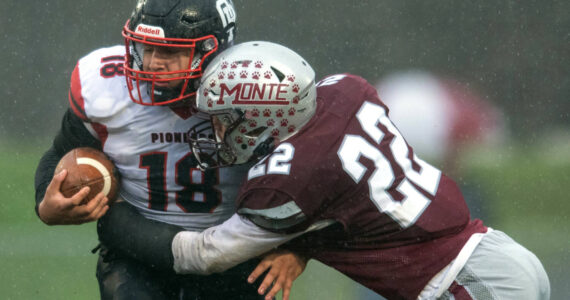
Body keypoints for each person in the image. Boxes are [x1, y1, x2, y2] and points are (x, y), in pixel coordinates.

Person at [162, 41, 548, 299]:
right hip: (494, 254)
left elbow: (202, 255)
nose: (217, 131)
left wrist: (121, 224)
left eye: (224, 119)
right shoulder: (345, 91)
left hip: (464, 283)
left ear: (260, 116)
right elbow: (345, 203)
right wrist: (301, 246)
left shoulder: (287, 181)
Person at [33, 1, 304, 299]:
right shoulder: (106, 87)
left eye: (171, 51)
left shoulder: (256, 92)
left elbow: (313, 181)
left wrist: (298, 251)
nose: (153, 63)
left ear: (212, 51)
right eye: (147, 48)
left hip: (234, 250)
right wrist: (47, 203)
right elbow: (61, 151)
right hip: (136, 249)